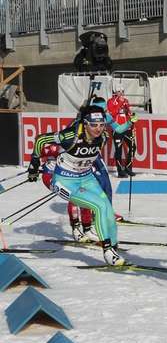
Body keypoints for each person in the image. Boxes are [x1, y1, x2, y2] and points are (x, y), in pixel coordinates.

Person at [27, 104, 135, 265]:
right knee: (99, 206)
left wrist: (130, 122)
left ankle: (113, 246)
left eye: (101, 125)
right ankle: (107, 252)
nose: (98, 129)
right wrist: (34, 164)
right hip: (65, 181)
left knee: (107, 207)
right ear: (85, 124)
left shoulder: (103, 137)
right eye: (94, 125)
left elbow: (117, 130)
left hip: (86, 177)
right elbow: (41, 139)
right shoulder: (70, 136)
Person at [106, 87, 137, 178]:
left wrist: (132, 120)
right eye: (119, 91)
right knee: (118, 150)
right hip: (117, 128)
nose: (121, 93)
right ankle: (120, 171)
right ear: (115, 92)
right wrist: (120, 102)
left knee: (133, 146)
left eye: (122, 91)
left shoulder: (126, 101)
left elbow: (128, 113)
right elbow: (112, 114)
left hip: (127, 128)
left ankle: (128, 167)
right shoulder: (110, 101)